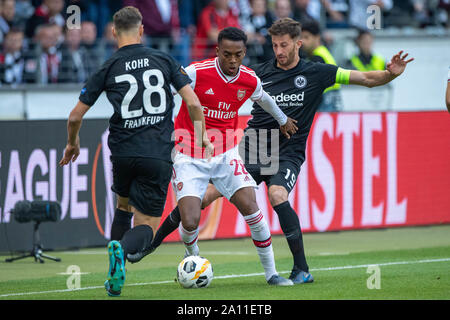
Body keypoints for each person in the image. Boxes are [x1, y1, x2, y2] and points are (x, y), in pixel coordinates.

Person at [148, 17, 413, 284]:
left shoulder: (318, 72)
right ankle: (154, 243)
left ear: (298, 44)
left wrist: (389, 74)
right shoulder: (257, 73)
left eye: (284, 45)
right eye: (274, 45)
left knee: (276, 195)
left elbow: (365, 77)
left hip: (289, 150)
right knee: (201, 200)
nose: (279, 52)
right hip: (255, 145)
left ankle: (301, 269)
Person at [59, 6, 209, 297]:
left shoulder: (108, 66)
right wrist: (202, 134)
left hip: (123, 153)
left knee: (123, 207)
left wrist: (72, 143)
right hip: (156, 153)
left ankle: (114, 271)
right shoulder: (163, 59)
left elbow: (75, 116)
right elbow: (192, 102)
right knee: (147, 226)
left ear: (114, 31)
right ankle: (123, 252)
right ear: (142, 30)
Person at [129, 27, 298, 286]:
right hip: (188, 154)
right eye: (227, 54)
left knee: (252, 208)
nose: (232, 61)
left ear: (244, 53)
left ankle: (272, 273)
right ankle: (193, 259)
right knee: (190, 219)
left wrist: (283, 119)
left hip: (225, 154)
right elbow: (163, 94)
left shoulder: (249, 79)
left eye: (238, 55)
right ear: (217, 50)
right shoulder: (197, 72)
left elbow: (264, 98)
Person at [300, 20, 341, 111]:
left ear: (317, 38)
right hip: (332, 99)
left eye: (306, 37)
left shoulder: (318, 58)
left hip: (325, 102)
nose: (302, 41)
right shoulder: (323, 53)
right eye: (301, 37)